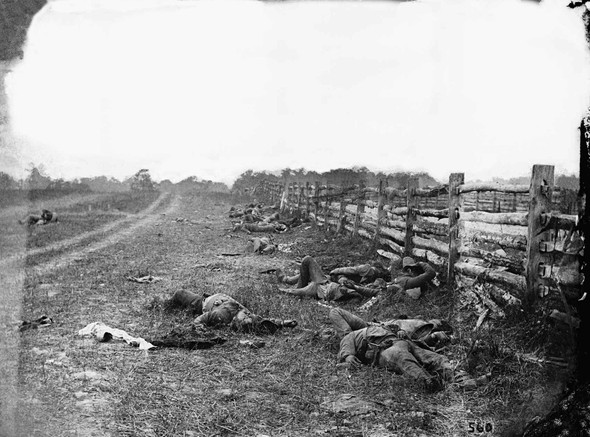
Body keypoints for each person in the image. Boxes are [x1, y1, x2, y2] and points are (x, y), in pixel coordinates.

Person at [330, 307, 480, 390]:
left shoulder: (377, 326)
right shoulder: (351, 336)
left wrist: (399, 332)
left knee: (435, 358)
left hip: (403, 340)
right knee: (402, 359)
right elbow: (345, 342)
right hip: (384, 350)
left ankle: (463, 380)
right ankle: (433, 383)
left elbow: (337, 311)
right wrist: (348, 356)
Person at [171, 290, 297, 334]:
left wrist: (198, 327)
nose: (247, 313)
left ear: (236, 321)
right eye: (248, 315)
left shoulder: (222, 315)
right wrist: (283, 323)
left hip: (200, 303)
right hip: (215, 298)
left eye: (245, 317)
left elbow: (199, 320)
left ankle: (165, 304)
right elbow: (262, 320)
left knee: (179, 293)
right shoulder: (245, 315)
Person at [275, 256, 391, 301]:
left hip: (331, 283)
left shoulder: (370, 283)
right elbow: (349, 270)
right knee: (309, 268)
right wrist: (336, 272)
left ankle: (289, 282)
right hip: (332, 280)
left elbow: (353, 284)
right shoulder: (368, 269)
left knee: (307, 261)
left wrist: (339, 278)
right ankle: (288, 280)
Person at [329, 307, 452, 350]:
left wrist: (435, 336)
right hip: (371, 326)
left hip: (376, 333)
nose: (436, 320)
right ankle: (349, 340)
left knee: (335, 312)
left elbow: (413, 344)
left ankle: (349, 341)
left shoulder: (425, 329)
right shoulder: (420, 322)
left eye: (439, 322)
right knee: (335, 312)